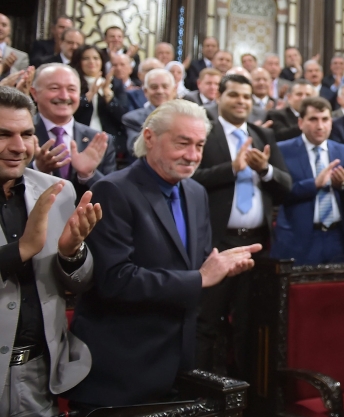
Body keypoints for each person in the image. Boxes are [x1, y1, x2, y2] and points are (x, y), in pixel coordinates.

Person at [67, 100, 261, 410]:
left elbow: (193, 268)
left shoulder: (195, 192)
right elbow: (114, 280)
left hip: (178, 367)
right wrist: (200, 278)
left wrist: (220, 268)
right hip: (121, 370)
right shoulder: (114, 191)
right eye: (182, 143)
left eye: (199, 145)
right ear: (150, 137)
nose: (193, 155)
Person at [0, 86, 102, 417]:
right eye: (3, 135)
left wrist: (72, 254)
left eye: (27, 134)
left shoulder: (57, 190)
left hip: (40, 375)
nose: (19, 146)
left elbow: (80, 282)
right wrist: (21, 249)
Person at [191, 74, 290, 377]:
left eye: (246, 97)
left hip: (256, 246)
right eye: (234, 95)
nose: (241, 102)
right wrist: (231, 169)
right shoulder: (204, 132)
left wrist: (266, 170)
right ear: (218, 97)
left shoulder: (263, 134)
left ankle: (246, 394)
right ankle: (202, 392)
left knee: (249, 325)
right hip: (217, 244)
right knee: (206, 322)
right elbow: (189, 179)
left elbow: (285, 186)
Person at [274, 97, 344, 264]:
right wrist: (314, 184)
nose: (320, 126)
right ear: (300, 122)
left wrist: (342, 185)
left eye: (325, 119)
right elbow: (278, 194)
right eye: (313, 119)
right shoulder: (282, 151)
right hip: (298, 239)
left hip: (337, 237)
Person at [30, 64, 116, 198]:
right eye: (54, 88)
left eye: (71, 89)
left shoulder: (99, 141)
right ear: (34, 93)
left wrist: (88, 175)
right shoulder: (21, 135)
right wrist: (37, 169)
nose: (64, 96)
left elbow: (112, 196)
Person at [69, 45, 129, 142]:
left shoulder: (114, 83)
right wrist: (89, 96)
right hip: (78, 138)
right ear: (78, 61)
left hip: (109, 139)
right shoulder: (71, 84)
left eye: (96, 58)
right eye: (86, 58)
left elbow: (123, 117)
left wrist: (108, 95)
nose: (91, 62)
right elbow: (69, 112)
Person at [122, 68, 177, 160]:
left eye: (165, 87)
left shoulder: (186, 117)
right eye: (154, 87)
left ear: (174, 90)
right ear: (145, 92)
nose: (160, 91)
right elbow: (136, 149)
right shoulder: (133, 119)